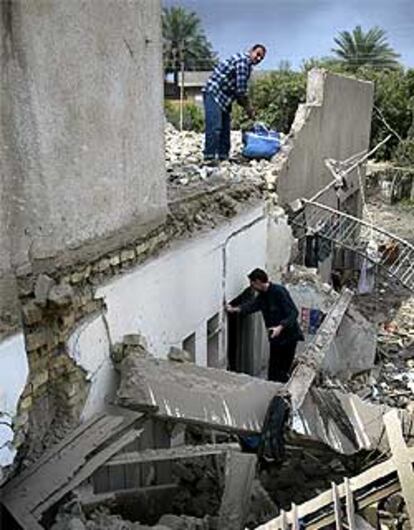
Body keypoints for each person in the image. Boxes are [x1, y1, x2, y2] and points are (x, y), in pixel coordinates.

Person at [226, 268, 304, 383]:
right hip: (275, 339)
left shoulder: (279, 292)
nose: (252, 287)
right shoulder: (263, 296)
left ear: (258, 282)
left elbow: (293, 313)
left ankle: (282, 394)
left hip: (289, 338)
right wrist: (234, 309)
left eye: (252, 284)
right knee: (273, 370)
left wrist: (280, 327)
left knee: (282, 370)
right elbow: (252, 306)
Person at [202, 44, 267, 163]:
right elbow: (241, 91)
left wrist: (247, 107)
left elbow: (239, 91)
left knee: (225, 128)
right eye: (257, 54)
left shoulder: (247, 66)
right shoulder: (243, 62)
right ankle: (209, 157)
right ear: (251, 51)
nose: (258, 59)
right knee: (215, 126)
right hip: (214, 93)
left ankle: (223, 156)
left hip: (225, 97)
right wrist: (248, 108)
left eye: (261, 58)